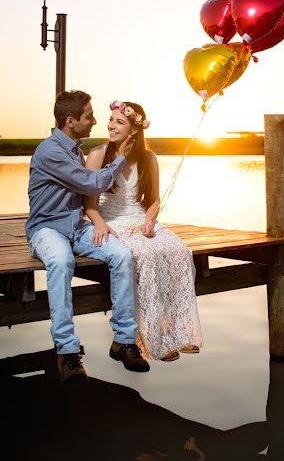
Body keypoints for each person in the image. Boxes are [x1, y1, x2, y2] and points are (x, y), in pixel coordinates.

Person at [26, 90, 150, 381]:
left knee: (121, 254)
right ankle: (67, 352)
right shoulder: (51, 151)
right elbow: (92, 184)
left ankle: (124, 340)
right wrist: (119, 158)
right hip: (47, 228)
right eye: (89, 116)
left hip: (75, 226)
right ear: (71, 121)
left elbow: (84, 197)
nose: (96, 121)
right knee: (60, 261)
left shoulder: (74, 149)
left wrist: (96, 220)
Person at [84, 100, 203, 362]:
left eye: (119, 122)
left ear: (134, 130)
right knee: (145, 256)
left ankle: (181, 332)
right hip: (112, 222)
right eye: (111, 120)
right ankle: (152, 339)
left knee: (179, 251)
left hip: (141, 219)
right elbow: (88, 204)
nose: (111, 126)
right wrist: (100, 224)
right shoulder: (97, 156)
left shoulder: (148, 158)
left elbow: (154, 200)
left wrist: (149, 221)